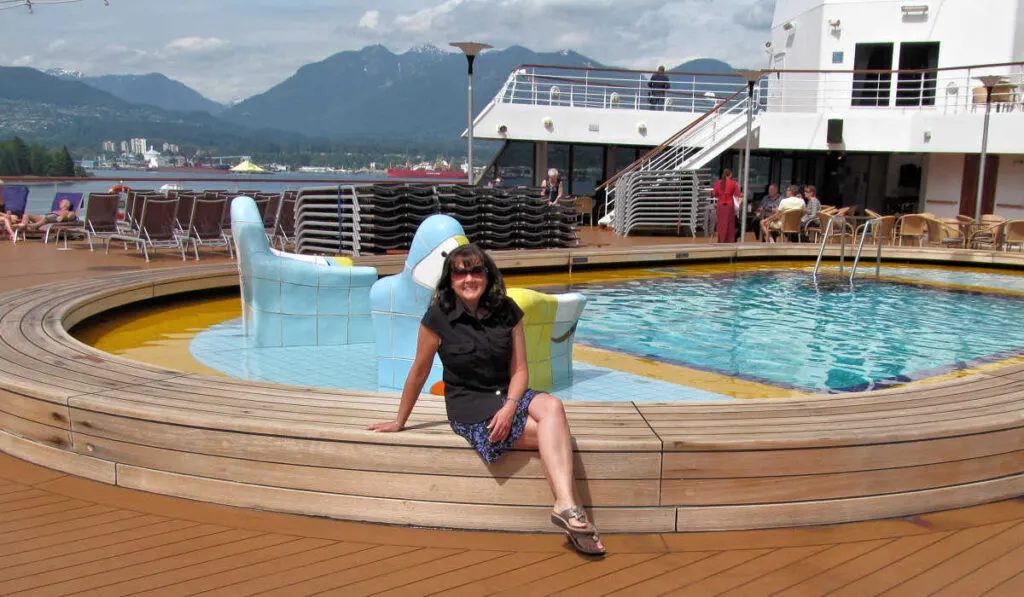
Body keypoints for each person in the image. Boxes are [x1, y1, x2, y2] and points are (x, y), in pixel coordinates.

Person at [366, 244, 605, 556]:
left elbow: (520, 370)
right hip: (471, 406)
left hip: (508, 396)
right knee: (554, 433)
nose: (469, 278)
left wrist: (509, 407)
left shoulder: (507, 310)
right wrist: (400, 421)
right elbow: (419, 371)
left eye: (476, 270)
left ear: (487, 275)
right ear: (450, 279)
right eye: (460, 272)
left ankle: (566, 505)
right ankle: (574, 512)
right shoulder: (438, 318)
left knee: (553, 408)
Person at [712, 168, 741, 243]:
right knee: (730, 225)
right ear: (730, 175)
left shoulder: (718, 183)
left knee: (721, 224)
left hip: (720, 206)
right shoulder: (733, 183)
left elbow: (714, 194)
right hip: (729, 206)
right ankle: (729, 241)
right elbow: (738, 194)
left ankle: (721, 241)